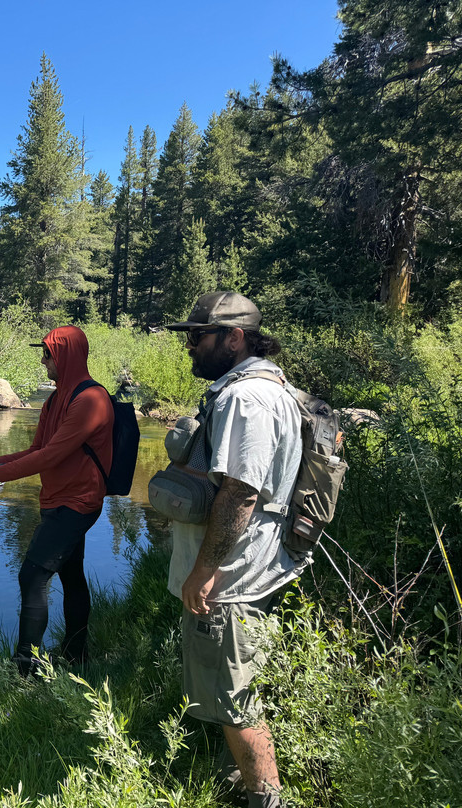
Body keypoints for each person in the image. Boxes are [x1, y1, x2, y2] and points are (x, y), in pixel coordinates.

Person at [162, 291, 303, 808]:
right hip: (253, 566)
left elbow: (240, 492)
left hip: (233, 576)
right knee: (238, 684)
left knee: (234, 695)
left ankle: (267, 798)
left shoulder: (246, 398)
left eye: (198, 336)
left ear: (234, 338)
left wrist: (204, 570)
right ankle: (242, 783)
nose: (190, 347)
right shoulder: (269, 388)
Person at [0, 325, 114, 675]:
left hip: (78, 503)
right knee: (71, 575)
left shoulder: (91, 399)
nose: (43, 361)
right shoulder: (55, 398)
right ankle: (77, 656)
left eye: (48, 354)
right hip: (58, 499)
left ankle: (25, 668)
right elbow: (37, 450)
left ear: (65, 356)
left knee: (33, 575)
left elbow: (52, 457)